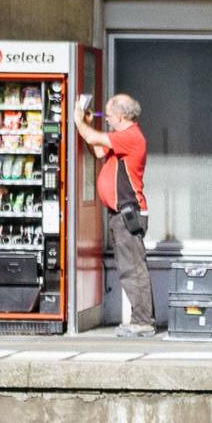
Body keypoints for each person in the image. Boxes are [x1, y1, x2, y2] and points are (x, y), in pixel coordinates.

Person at [73, 91, 157, 337]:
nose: (106, 119)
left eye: (108, 115)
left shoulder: (131, 137)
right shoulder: (121, 138)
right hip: (120, 214)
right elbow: (99, 151)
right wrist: (87, 125)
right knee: (128, 266)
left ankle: (143, 322)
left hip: (128, 213)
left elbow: (92, 137)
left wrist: (79, 120)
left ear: (121, 115)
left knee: (133, 268)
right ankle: (141, 319)